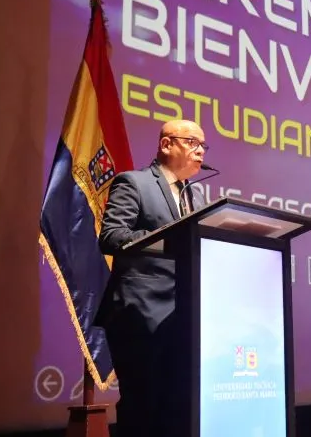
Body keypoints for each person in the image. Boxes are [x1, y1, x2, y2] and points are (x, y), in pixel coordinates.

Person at [97, 119, 208, 437]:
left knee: (178, 406)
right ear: (166, 144)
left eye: (203, 145)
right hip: (141, 312)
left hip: (184, 315)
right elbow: (111, 236)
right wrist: (169, 239)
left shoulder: (196, 196)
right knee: (143, 406)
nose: (200, 151)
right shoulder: (134, 183)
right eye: (192, 142)